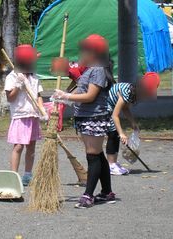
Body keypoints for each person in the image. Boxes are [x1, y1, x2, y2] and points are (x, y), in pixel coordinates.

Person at [51, 34, 116, 208]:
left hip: (94, 117)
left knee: (92, 156)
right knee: (97, 154)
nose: (81, 54)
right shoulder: (90, 69)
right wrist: (65, 98)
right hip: (85, 117)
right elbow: (82, 89)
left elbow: (90, 96)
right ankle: (107, 192)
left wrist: (67, 96)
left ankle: (88, 195)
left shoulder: (98, 70)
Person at [5, 44, 45, 186]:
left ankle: (28, 175)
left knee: (31, 146)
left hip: (33, 115)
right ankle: (13, 176)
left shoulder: (34, 77)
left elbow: (39, 95)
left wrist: (43, 110)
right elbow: (10, 98)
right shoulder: (13, 76)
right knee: (18, 147)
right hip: (20, 116)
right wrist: (18, 85)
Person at [106, 72, 160, 175]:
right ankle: (110, 164)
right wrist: (121, 133)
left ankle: (114, 163)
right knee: (113, 133)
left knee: (116, 134)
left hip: (111, 109)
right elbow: (115, 115)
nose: (147, 96)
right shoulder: (127, 92)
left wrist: (133, 122)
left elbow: (125, 108)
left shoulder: (133, 93)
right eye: (147, 92)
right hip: (104, 108)